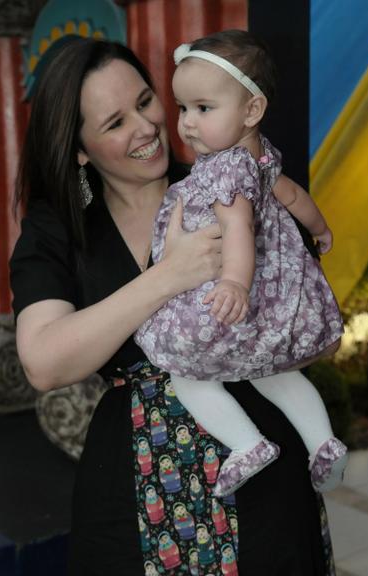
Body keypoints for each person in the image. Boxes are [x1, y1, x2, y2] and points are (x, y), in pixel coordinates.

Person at [10, 36, 336, 575]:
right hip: (135, 490)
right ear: (80, 148)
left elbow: (304, 311)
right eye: (115, 123)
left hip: (262, 471)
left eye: (144, 101)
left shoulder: (225, 183)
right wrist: (171, 275)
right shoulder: (57, 231)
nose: (145, 128)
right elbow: (44, 362)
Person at [135, 29, 347, 498]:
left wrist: (233, 282)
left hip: (232, 291)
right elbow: (291, 194)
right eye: (183, 108)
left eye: (203, 109)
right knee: (275, 371)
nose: (187, 123)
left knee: (185, 374)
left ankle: (246, 443)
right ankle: (323, 441)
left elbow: (235, 229)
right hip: (273, 295)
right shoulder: (260, 155)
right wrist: (320, 228)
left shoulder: (224, 167)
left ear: (251, 110)